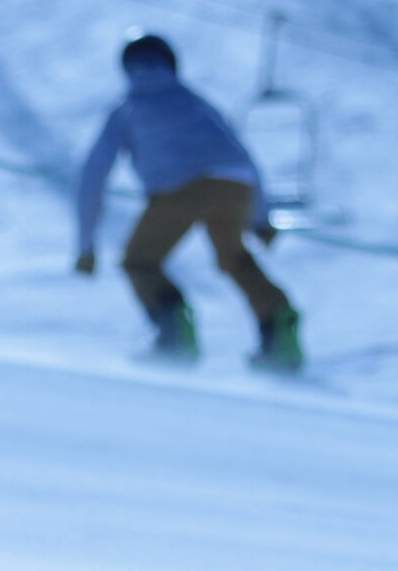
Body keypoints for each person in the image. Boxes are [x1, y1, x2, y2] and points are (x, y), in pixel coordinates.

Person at [74, 33, 303, 371]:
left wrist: (85, 245)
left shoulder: (128, 109)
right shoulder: (196, 103)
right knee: (235, 258)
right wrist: (259, 218)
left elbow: (93, 175)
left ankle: (174, 339)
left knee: (140, 262)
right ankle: (279, 333)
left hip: (178, 187)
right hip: (233, 184)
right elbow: (244, 157)